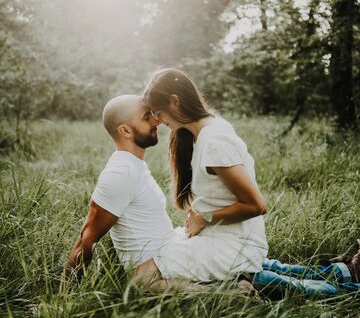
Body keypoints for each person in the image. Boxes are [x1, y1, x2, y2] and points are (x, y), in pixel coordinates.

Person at [65, 90, 360, 296]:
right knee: (241, 270)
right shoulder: (120, 173)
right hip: (157, 263)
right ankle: (344, 282)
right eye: (147, 116)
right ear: (126, 131)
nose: (156, 120)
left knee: (243, 263)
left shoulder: (133, 166)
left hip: (170, 248)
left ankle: (342, 273)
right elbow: (85, 239)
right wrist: (66, 295)